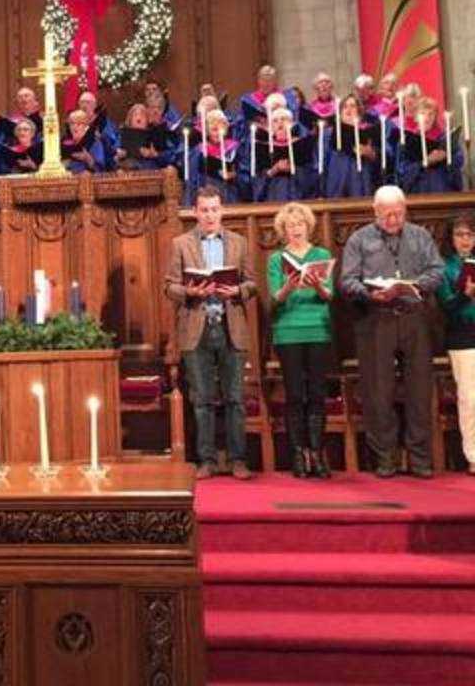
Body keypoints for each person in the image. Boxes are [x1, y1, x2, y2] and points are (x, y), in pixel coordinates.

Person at [340, 185, 444, 478]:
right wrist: (369, 293)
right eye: (387, 215)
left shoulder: (420, 236)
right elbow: (347, 281)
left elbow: (437, 270)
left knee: (419, 390)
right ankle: (385, 457)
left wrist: (418, 284)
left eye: (398, 214)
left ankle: (420, 458)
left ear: (405, 210)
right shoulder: (359, 239)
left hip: (415, 317)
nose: (393, 220)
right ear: (375, 211)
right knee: (378, 390)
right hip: (376, 319)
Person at [164, 185, 257, 480]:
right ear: (195, 212)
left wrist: (238, 290)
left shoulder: (239, 243)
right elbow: (169, 286)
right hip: (196, 326)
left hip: (230, 326)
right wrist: (189, 291)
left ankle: (237, 459)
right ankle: (206, 460)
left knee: (235, 398)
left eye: (214, 209)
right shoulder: (181, 243)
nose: (209, 215)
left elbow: (252, 283)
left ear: (222, 210)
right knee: (201, 399)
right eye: (204, 210)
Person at [267, 203, 334, 477]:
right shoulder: (276, 259)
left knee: (317, 393)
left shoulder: (321, 254)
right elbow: (274, 299)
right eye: (290, 225)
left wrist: (317, 284)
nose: (295, 229)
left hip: (317, 328)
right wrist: (289, 285)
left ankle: (317, 453)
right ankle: (299, 454)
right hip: (288, 331)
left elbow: (329, 296)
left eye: (300, 224)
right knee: (295, 394)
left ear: (308, 227)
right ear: (283, 230)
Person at [436, 213, 475, 475]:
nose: (466, 240)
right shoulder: (445, 267)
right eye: (460, 234)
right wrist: (465, 295)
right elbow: (447, 305)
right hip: (463, 337)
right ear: (451, 238)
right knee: (470, 398)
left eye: (470, 234)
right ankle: (473, 455)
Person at [397, 97, 464, 194]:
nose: (427, 118)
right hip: (419, 191)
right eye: (422, 113)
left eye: (431, 114)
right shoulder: (407, 140)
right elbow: (402, 172)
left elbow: (459, 162)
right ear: (415, 117)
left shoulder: (445, 138)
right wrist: (425, 162)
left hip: (443, 189)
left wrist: (446, 157)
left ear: (436, 117)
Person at [322, 94, 383, 198]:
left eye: (352, 106)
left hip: (361, 180)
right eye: (345, 106)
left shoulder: (369, 131)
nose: (348, 109)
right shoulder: (329, 133)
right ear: (340, 112)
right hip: (336, 180)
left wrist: (371, 154)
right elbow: (321, 160)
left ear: (359, 111)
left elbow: (383, 159)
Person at [61, 109, 105, 174]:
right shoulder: (64, 141)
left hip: (88, 179)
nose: (74, 127)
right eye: (72, 123)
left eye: (79, 124)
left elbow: (100, 167)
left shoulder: (94, 142)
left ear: (86, 126)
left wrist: (88, 158)